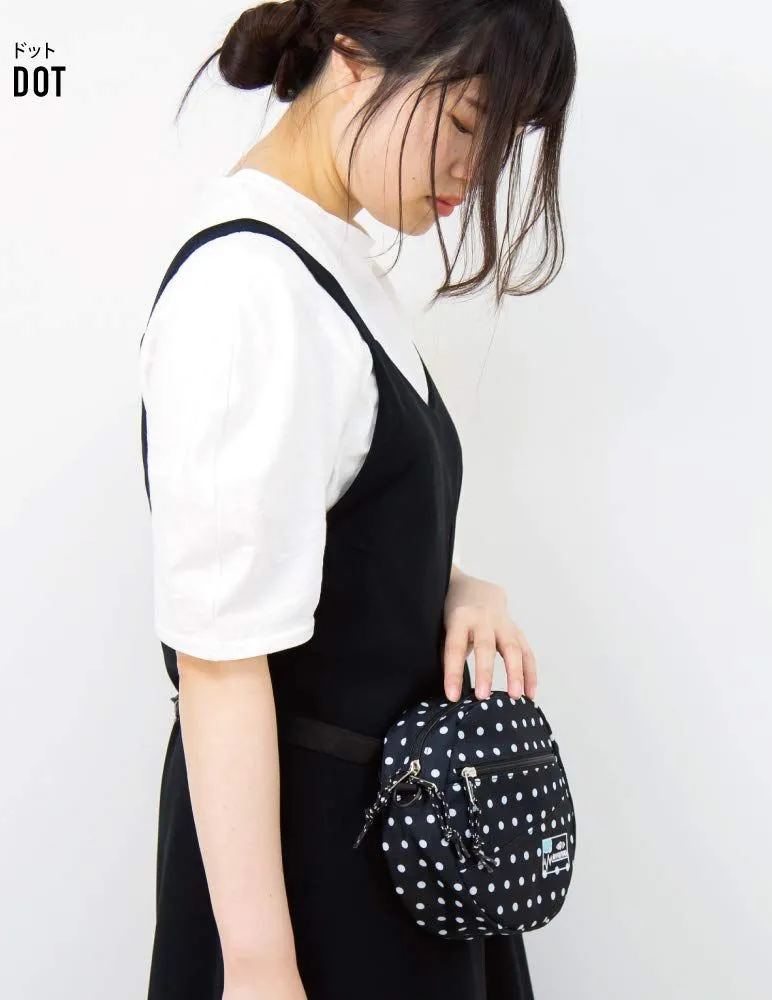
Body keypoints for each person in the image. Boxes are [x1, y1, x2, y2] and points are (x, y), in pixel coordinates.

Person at [139, 2, 576, 998]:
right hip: (306, 875)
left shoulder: (331, 258)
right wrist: (259, 967)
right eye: (466, 123)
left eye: (501, 143)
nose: (474, 172)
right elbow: (219, 656)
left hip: (394, 842)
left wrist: (457, 589)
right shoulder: (247, 289)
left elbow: (330, 539)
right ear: (353, 58)